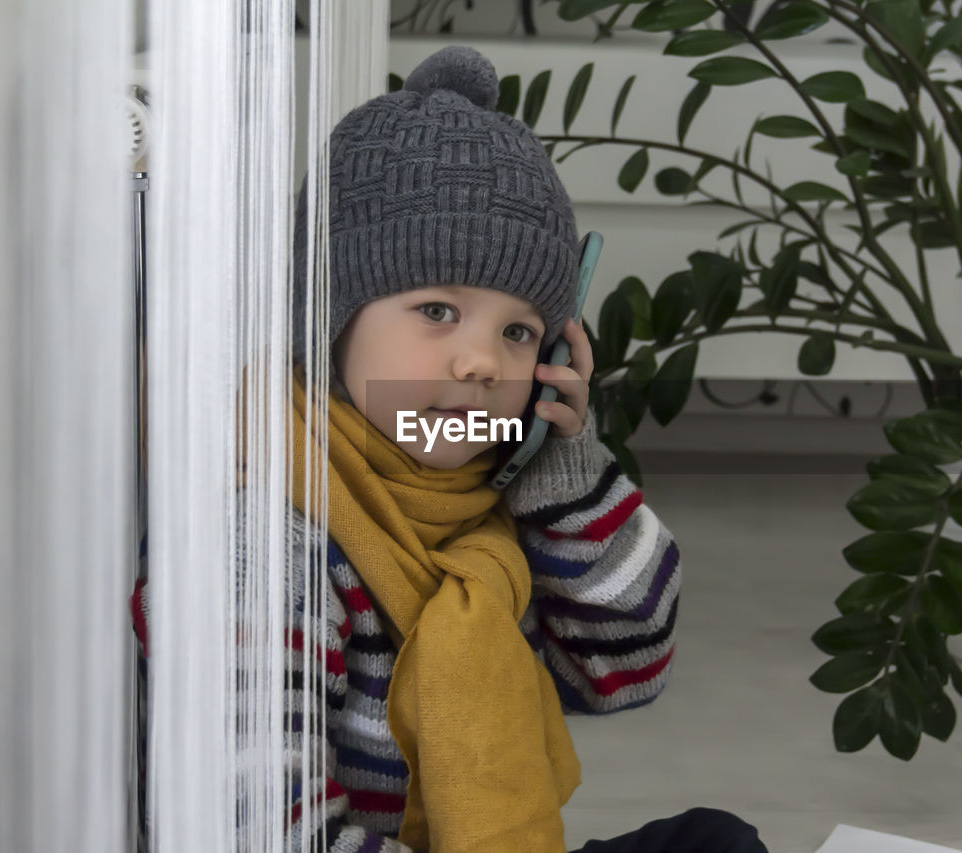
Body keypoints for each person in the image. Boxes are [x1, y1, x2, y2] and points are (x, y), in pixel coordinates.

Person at [131, 44, 768, 853]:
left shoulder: (488, 504)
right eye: (437, 310)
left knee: (715, 842)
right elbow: (257, 830)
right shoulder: (262, 541)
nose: (481, 362)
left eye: (518, 332)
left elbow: (626, 666)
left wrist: (560, 465)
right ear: (328, 317)